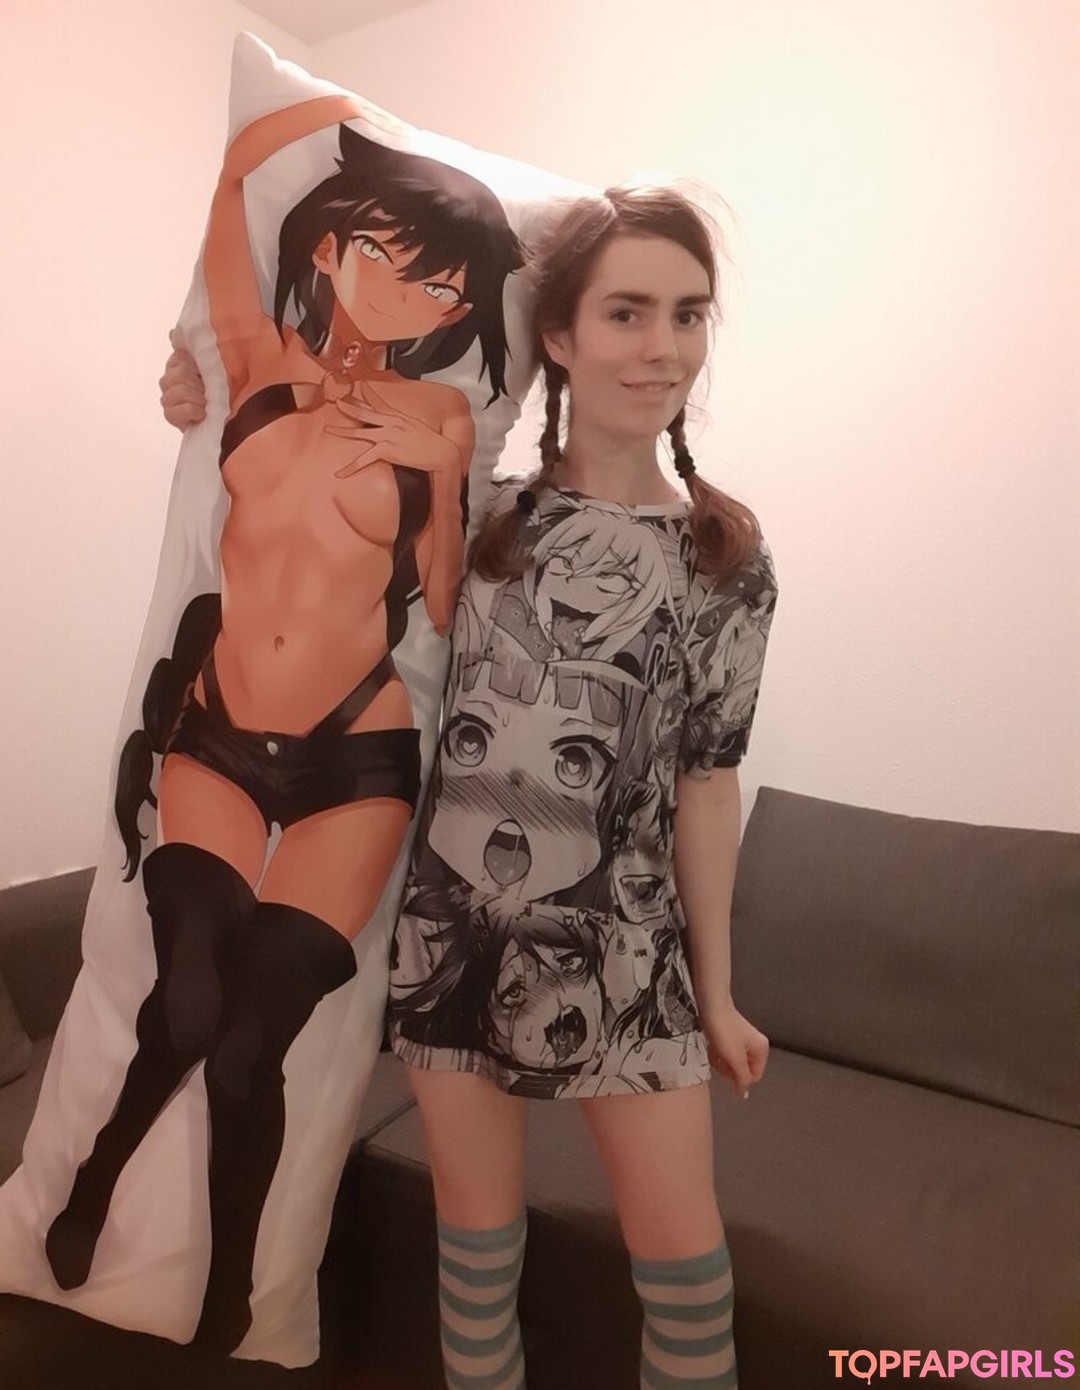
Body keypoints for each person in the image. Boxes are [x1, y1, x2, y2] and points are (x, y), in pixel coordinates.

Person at [161, 183, 776, 1389]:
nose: (663, 347)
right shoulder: (475, 517)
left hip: (625, 953)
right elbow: (278, 491)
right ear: (560, 335)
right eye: (627, 312)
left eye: (689, 314)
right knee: (476, 1265)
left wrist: (717, 993)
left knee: (687, 1281)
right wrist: (199, 393)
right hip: (449, 938)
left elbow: (709, 783)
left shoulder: (724, 558)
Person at [46, 93, 523, 1356]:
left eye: (446, 288)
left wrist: (438, 485)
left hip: (355, 756)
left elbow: (438, 607)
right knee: (186, 1007)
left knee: (248, 1050)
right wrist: (297, 110)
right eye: (400, 263)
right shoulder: (256, 364)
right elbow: (225, 209)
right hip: (215, 734)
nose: (422, 298)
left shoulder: (441, 419)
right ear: (329, 246)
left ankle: (231, 1297)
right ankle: (92, 1182)